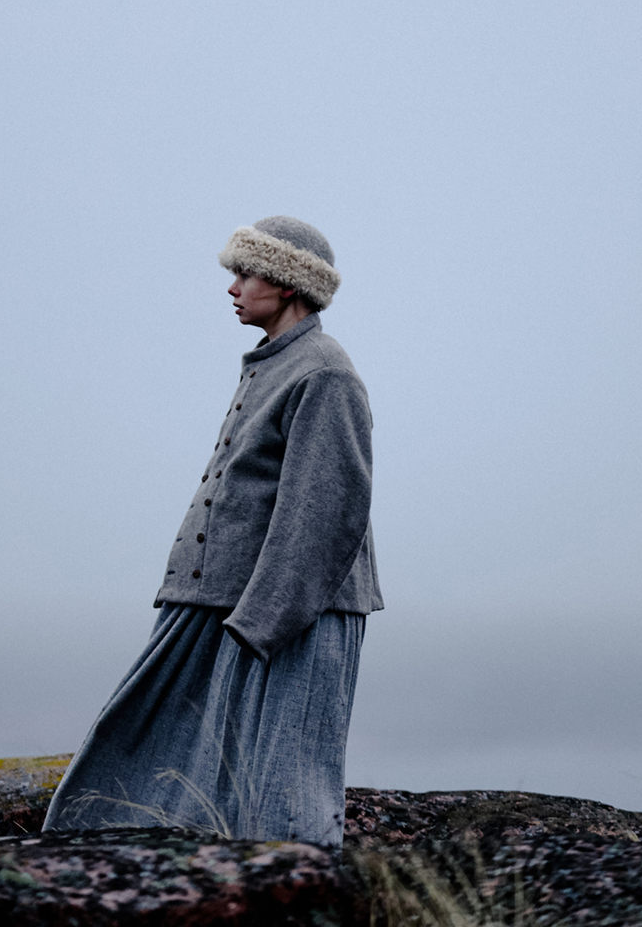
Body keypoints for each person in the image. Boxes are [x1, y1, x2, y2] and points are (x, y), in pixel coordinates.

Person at [41, 215, 383, 846]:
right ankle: (125, 873)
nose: (232, 287)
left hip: (286, 613)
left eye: (245, 273)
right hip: (220, 603)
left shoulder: (324, 373)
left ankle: (293, 890)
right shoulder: (276, 362)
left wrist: (264, 623)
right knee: (141, 741)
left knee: (283, 789)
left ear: (287, 283)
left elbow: (325, 514)